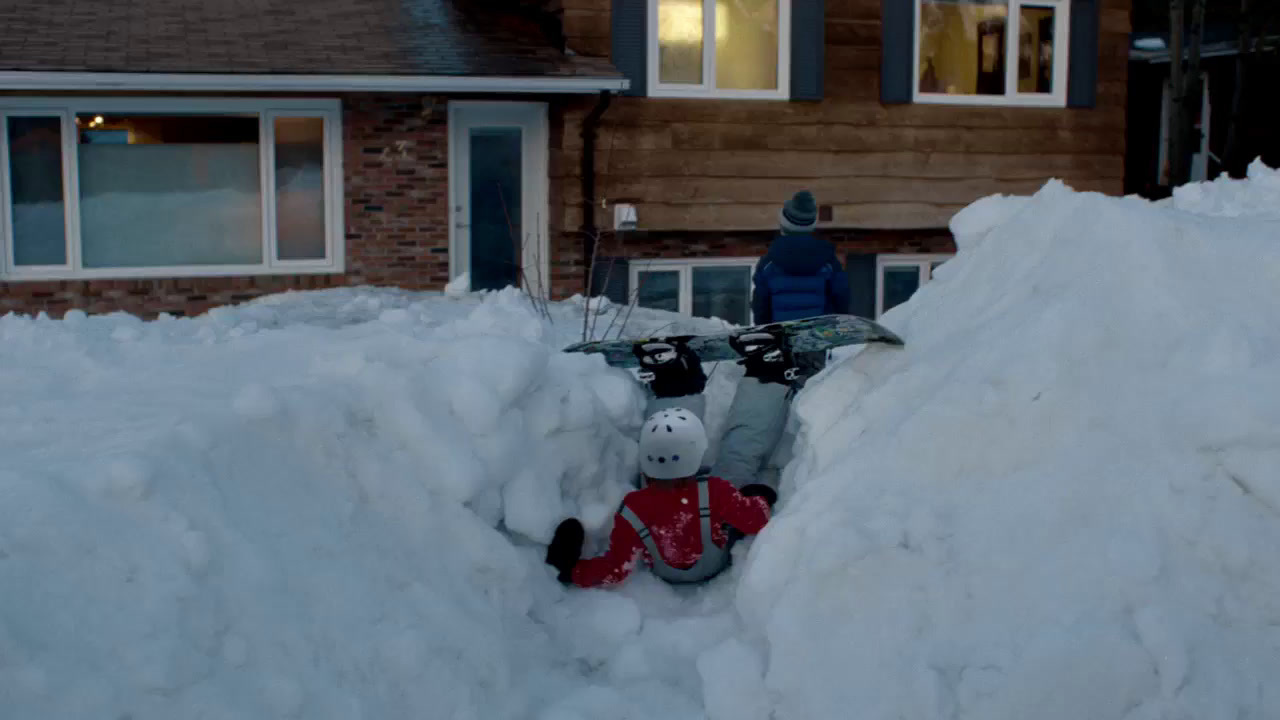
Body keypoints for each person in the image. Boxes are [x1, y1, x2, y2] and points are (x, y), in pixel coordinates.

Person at [711, 190, 850, 491]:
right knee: (810, 404)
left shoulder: (771, 260)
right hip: (813, 340)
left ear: (784, 222)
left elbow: (760, 302)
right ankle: (796, 469)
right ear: (811, 224)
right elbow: (841, 298)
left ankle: (759, 463)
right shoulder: (827, 260)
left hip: (779, 340)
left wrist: (766, 334)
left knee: (770, 403)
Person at [545, 408, 776, 588]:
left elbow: (616, 569)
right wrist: (759, 497)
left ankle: (671, 387)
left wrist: (572, 571)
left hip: (665, 571)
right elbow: (755, 521)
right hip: (714, 565)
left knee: (658, 503)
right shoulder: (716, 490)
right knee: (735, 466)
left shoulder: (633, 506)